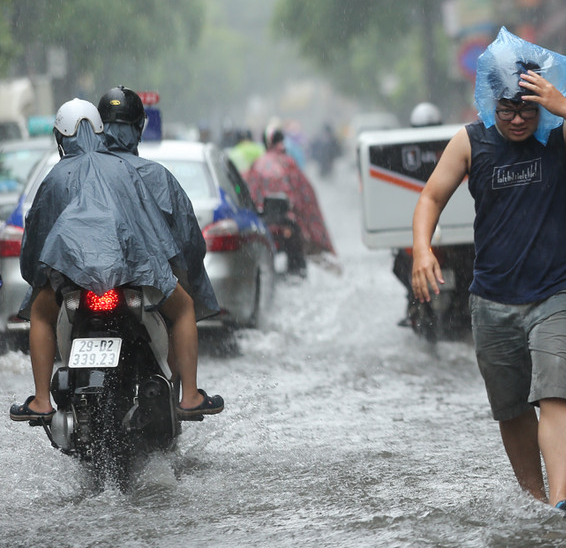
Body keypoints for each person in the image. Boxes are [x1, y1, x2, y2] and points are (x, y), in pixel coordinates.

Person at [411, 57, 566, 516]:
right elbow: (430, 196)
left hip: (558, 291)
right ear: (491, 102)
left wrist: (564, 108)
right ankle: (534, 502)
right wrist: (422, 249)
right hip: (492, 298)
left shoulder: (558, 133)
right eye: (507, 109)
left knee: (555, 393)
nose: (517, 120)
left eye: (527, 109)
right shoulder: (470, 142)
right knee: (511, 409)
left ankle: (561, 501)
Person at [9, 93, 224, 423]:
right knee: (183, 308)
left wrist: (37, 279)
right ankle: (191, 396)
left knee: (40, 312)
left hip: (72, 278)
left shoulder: (55, 177)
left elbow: (36, 244)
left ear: (60, 138)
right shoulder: (128, 170)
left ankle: (41, 400)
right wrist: (166, 269)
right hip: (135, 272)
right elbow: (156, 230)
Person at [245, 127, 340, 274]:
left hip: (264, 223)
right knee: (297, 264)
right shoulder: (289, 163)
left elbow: (250, 194)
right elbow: (305, 196)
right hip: (289, 223)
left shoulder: (257, 165)